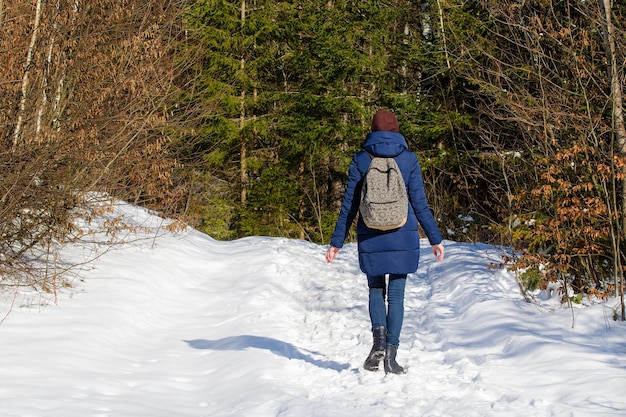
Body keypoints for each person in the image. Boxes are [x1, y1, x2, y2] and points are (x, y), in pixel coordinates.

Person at [325, 109, 445, 374]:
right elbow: (420, 204)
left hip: (370, 231)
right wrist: (435, 239)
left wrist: (336, 242)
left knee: (375, 289)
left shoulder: (361, 159)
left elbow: (350, 205)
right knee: (397, 295)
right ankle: (391, 355)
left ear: (373, 129)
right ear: (396, 130)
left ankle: (377, 342)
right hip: (403, 233)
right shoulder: (409, 159)